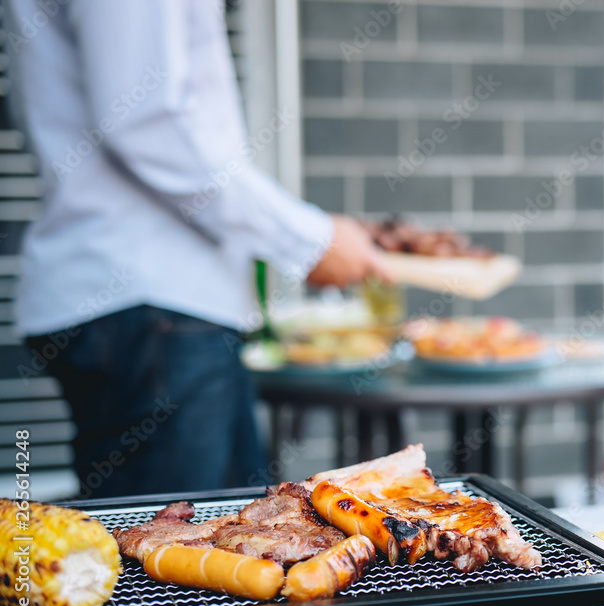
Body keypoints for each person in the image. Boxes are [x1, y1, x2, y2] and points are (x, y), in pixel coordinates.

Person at [5, 0, 389, 498]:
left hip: (153, 308)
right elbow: (147, 118)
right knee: (172, 561)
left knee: (232, 547)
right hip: (153, 307)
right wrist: (306, 240)